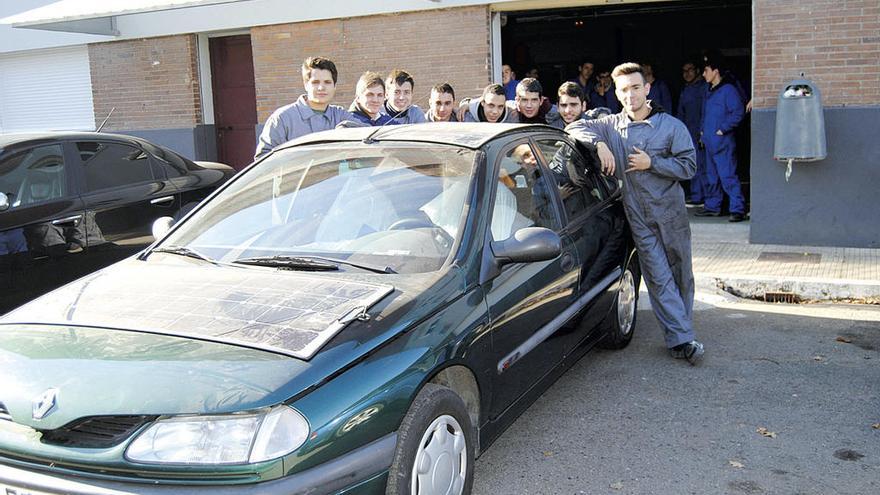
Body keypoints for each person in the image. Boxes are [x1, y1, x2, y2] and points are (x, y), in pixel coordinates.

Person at [566, 62, 704, 365]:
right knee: (657, 276)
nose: (630, 95)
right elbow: (574, 126)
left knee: (681, 274)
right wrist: (600, 144)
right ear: (616, 93)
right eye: (624, 90)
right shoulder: (611, 125)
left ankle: (682, 327)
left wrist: (651, 163)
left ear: (647, 89)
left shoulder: (671, 126)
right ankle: (681, 339)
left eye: (635, 87)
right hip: (638, 216)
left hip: (671, 215)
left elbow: (689, 166)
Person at [255, 57, 353, 158]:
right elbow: (263, 159)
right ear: (305, 85)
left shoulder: (340, 116)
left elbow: (368, 136)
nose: (321, 88)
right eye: (315, 82)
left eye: (327, 82)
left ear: (334, 86)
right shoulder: (283, 118)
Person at [696, 51, 747, 222]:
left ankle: (737, 209)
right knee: (711, 176)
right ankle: (713, 206)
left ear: (715, 71)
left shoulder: (728, 90)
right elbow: (704, 114)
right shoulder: (709, 91)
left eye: (706, 71)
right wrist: (702, 132)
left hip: (722, 141)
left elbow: (738, 112)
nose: (703, 75)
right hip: (710, 141)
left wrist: (723, 129)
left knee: (728, 176)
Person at [677, 61, 709, 204]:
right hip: (688, 133)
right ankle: (697, 197)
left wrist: (703, 131)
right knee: (692, 164)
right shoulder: (686, 90)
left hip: (702, 133)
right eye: (684, 71)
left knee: (704, 167)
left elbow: (706, 111)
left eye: (690, 70)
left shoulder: (704, 88)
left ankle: (707, 199)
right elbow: (681, 113)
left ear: (697, 70)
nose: (687, 73)